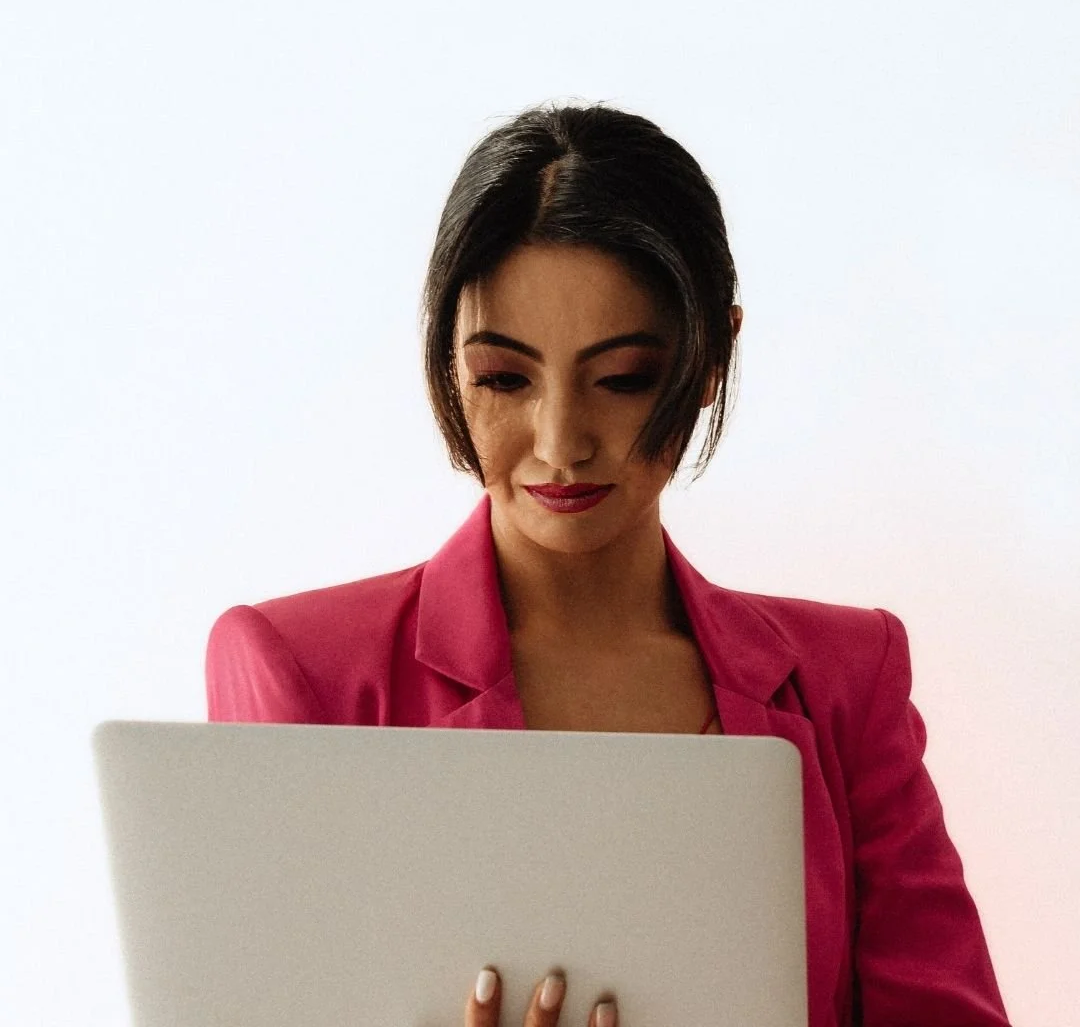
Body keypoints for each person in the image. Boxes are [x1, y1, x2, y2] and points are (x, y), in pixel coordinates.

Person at [205, 102, 1012, 1027]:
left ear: (713, 355)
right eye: (504, 379)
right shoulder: (302, 673)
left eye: (622, 376)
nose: (561, 443)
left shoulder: (845, 680)